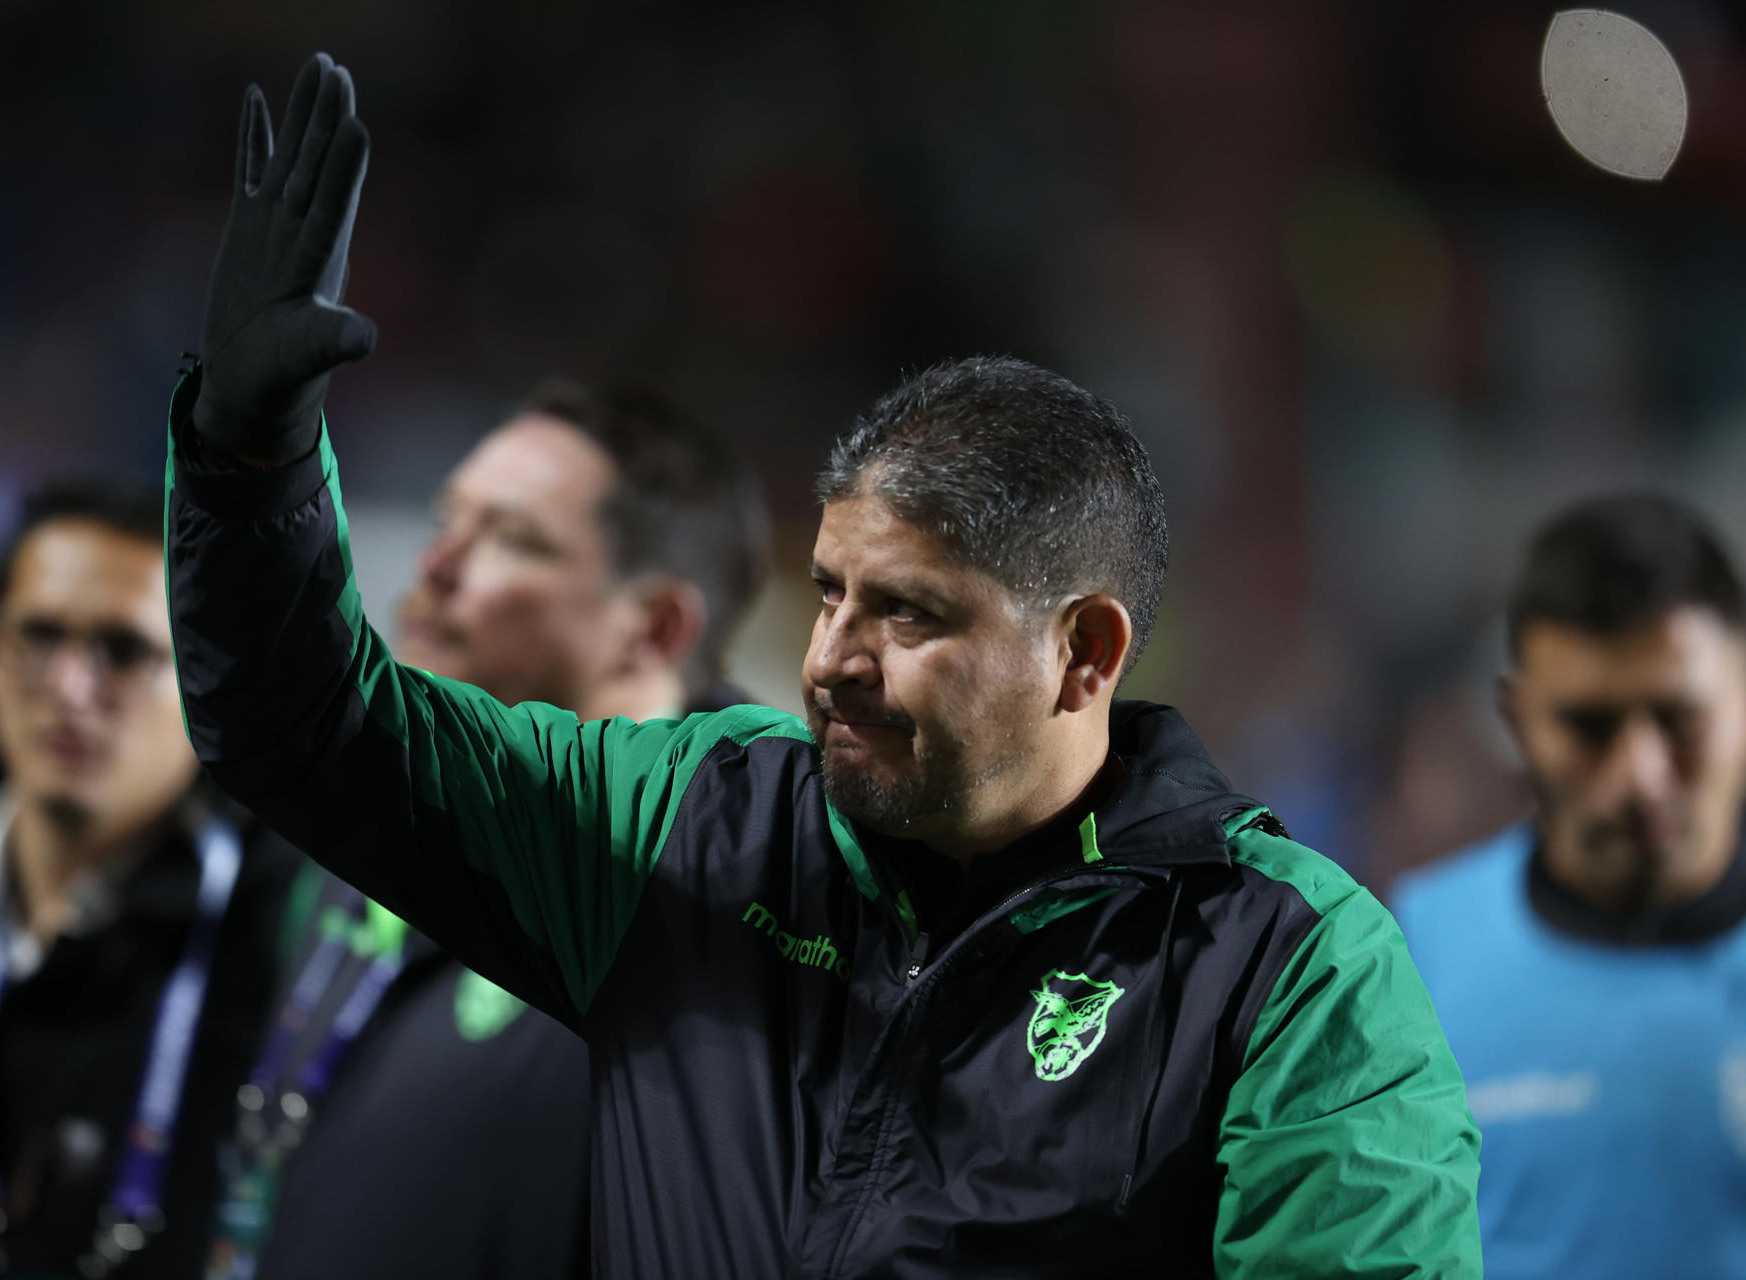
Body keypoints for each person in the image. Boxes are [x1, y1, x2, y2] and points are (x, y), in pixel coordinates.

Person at [166, 53, 1481, 1276]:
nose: (831, 659)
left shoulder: (1283, 963)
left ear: (1083, 653)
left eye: (909, 615)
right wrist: (248, 460)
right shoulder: (687, 823)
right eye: (829, 592)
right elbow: (314, 729)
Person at [207, 374, 769, 1280]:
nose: (437, 567)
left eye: (512, 539)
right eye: (447, 522)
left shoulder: (722, 916)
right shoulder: (355, 834)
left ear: (654, 627)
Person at [0, 479, 300, 1280]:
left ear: (210, 681)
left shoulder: (282, 929)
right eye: (39, 638)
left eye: (124, 651)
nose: (71, 690)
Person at [1392, 494, 1746, 1279]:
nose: (1641, 776)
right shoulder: (1416, 957)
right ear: (1518, 721)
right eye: (1590, 726)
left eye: (1680, 718)